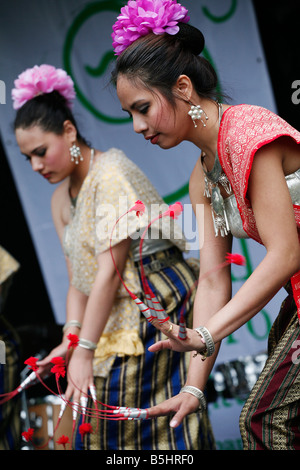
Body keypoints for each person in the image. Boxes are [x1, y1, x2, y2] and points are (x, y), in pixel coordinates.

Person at [112, 0, 300, 450]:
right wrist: (194, 386)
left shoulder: (245, 132)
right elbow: (213, 280)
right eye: (129, 115)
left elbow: (287, 253)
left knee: (265, 423)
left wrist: (206, 334)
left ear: (182, 87)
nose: (138, 127)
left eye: (142, 108)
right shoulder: (201, 174)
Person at [12, 64, 215, 450]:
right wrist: (71, 339)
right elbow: (80, 280)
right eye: (28, 159)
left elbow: (110, 271)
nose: (37, 166)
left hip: (154, 296)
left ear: (69, 132)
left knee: (153, 422)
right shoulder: (60, 199)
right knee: (101, 423)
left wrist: (85, 351)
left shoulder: (110, 173)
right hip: (112, 304)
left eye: (41, 152)